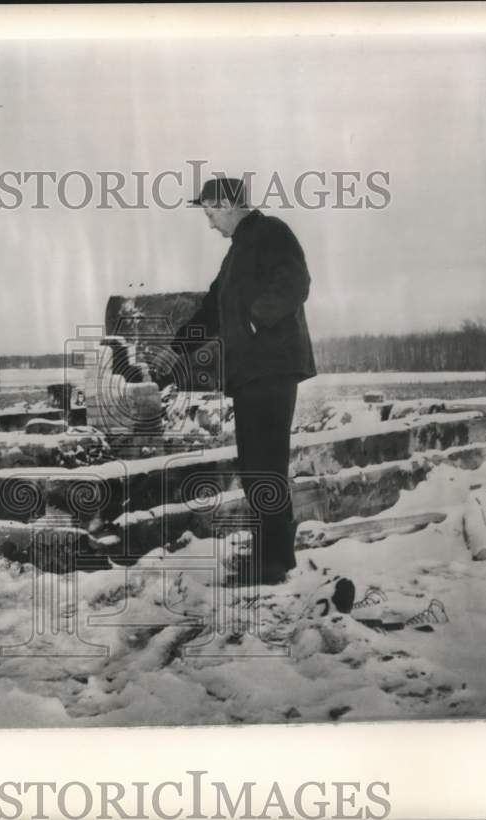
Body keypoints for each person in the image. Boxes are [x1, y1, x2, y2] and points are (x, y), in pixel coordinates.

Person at [153, 177, 317, 585]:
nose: (209, 223)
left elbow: (296, 282)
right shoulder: (236, 254)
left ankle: (273, 563)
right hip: (250, 372)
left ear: (228, 204)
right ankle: (271, 556)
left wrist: (254, 320)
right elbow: (211, 308)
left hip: (272, 367)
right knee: (256, 464)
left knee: (266, 465)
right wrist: (175, 351)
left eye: (210, 212)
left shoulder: (271, 231)